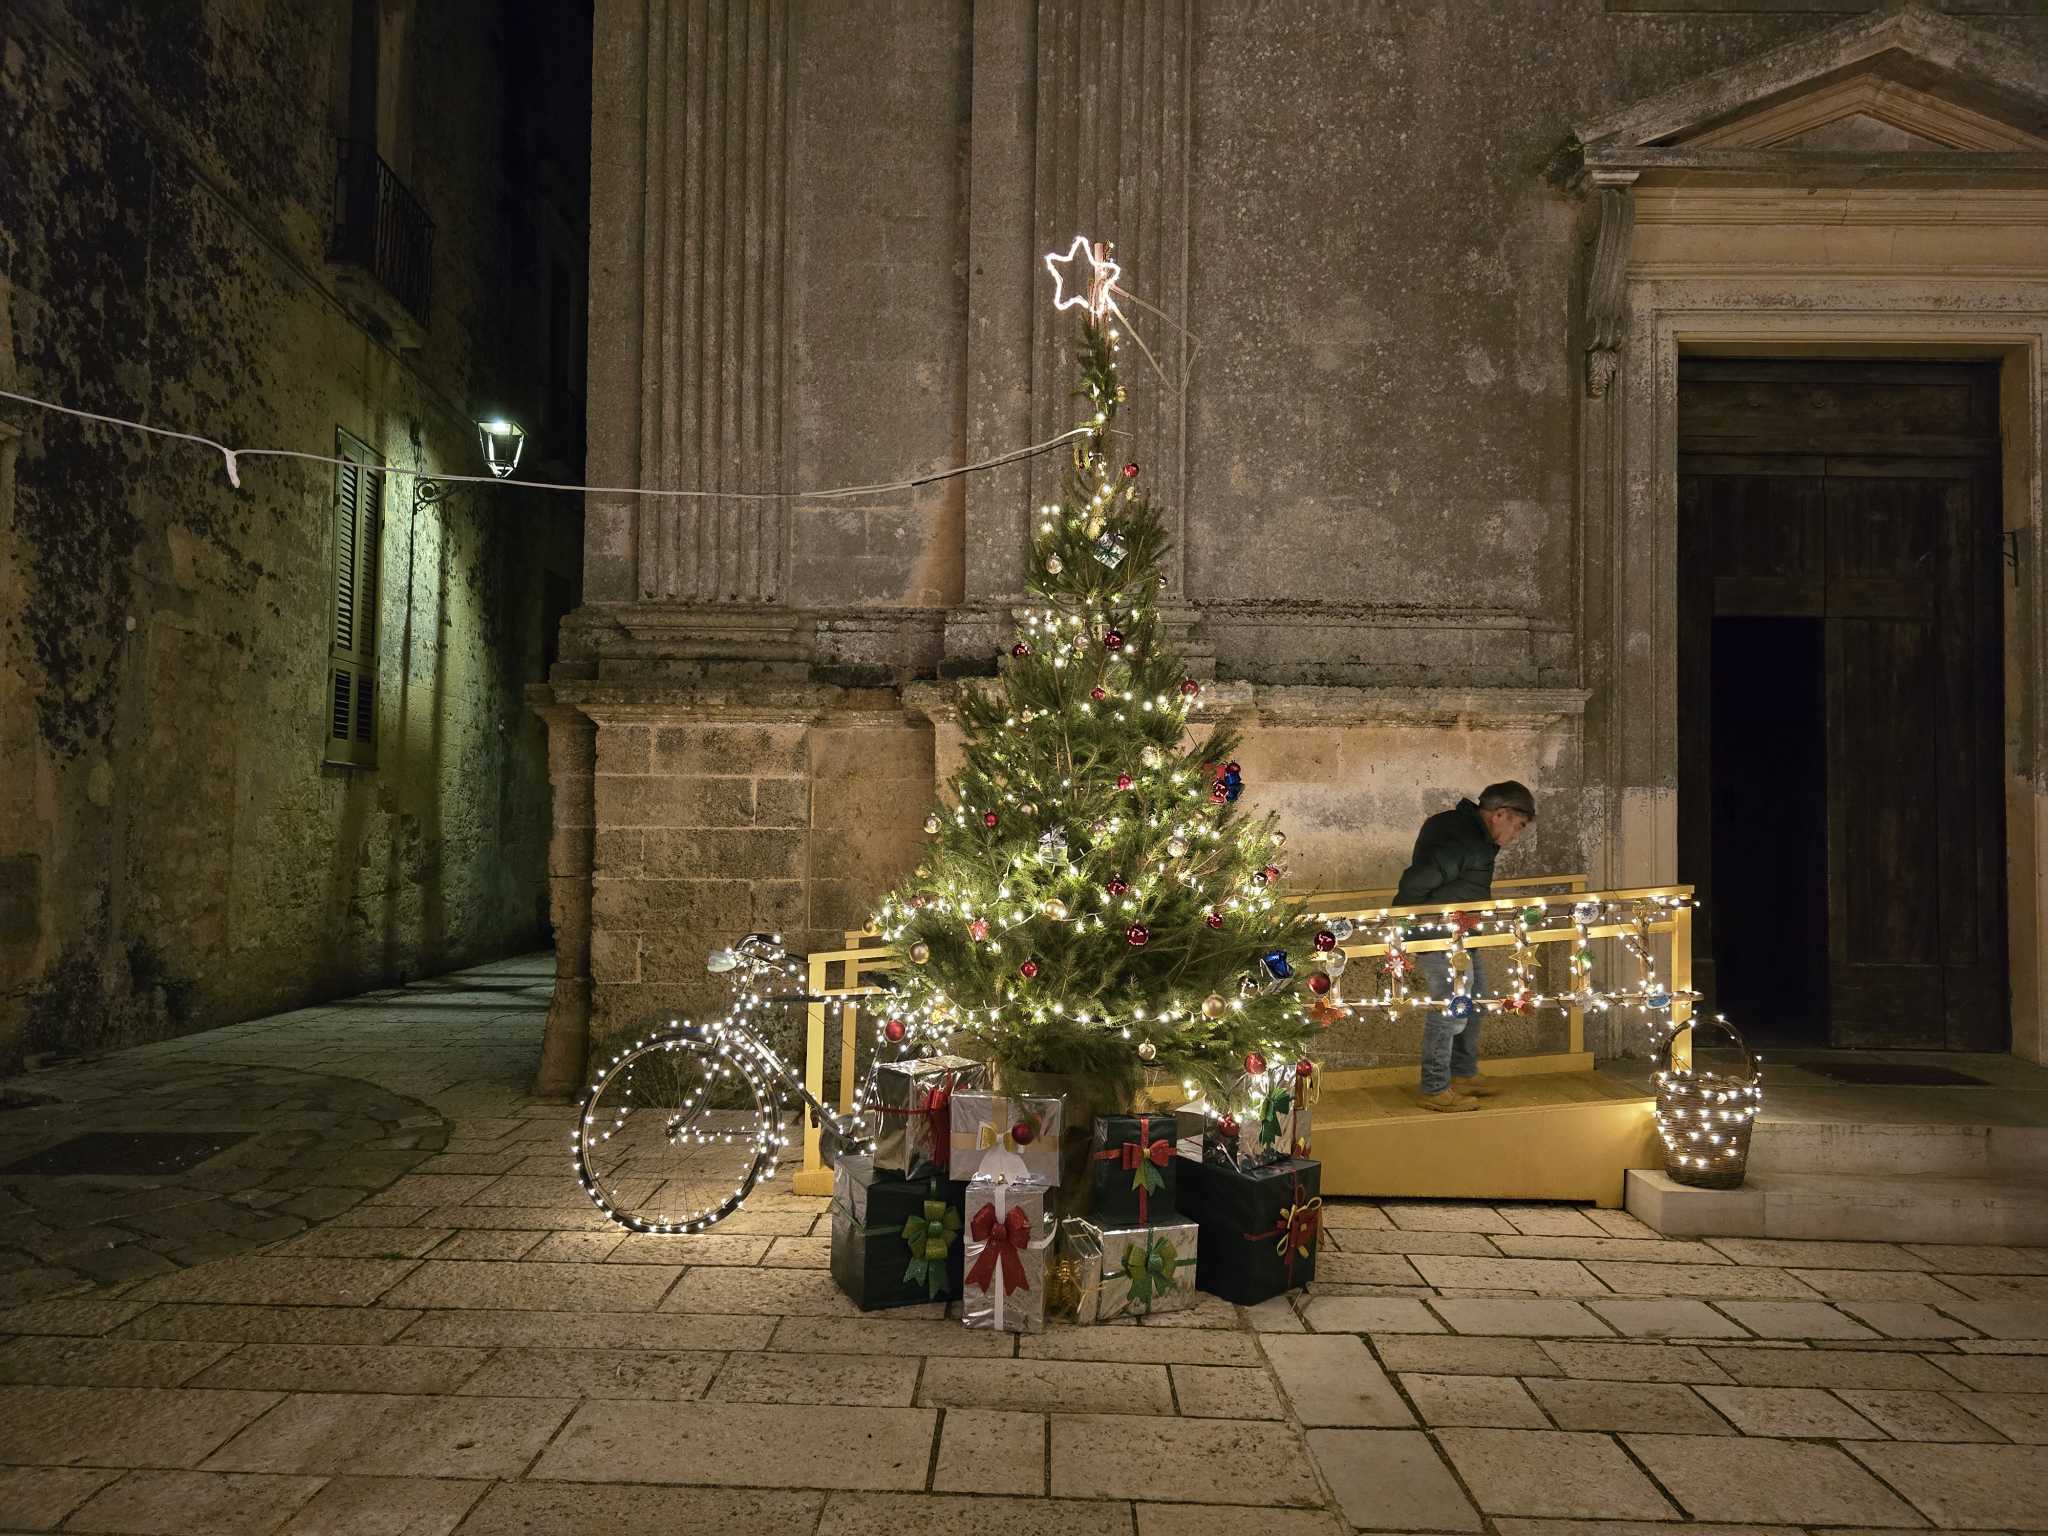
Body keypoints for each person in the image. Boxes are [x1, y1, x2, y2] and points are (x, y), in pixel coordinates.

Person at [1392, 781, 1536, 1112]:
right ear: (1500, 814)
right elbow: (1417, 881)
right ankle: (1434, 1088)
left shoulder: (1470, 833)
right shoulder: (1466, 837)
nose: (1516, 835)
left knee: (1477, 997)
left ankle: (1463, 1073)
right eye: (1519, 825)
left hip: (1459, 935)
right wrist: (1404, 927)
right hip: (1440, 935)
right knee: (1449, 1010)